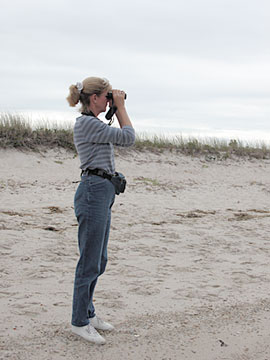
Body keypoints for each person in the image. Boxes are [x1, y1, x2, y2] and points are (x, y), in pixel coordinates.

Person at [66, 77, 135, 344]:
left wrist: (113, 107)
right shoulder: (86, 123)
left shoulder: (94, 123)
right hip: (93, 192)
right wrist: (121, 108)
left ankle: (88, 312)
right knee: (89, 261)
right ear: (94, 98)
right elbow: (128, 137)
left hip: (102, 191)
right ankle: (79, 321)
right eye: (106, 96)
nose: (109, 100)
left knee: (99, 259)